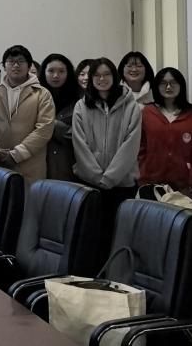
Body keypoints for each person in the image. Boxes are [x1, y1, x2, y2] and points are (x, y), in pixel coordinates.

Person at [72, 57, 142, 246]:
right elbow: (79, 144)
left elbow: (131, 145)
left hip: (122, 183)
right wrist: (96, 177)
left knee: (118, 236)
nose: (102, 79)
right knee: (91, 236)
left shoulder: (131, 106)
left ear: (115, 76)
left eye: (106, 74)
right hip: (89, 183)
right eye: (97, 75)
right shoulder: (81, 106)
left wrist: (110, 178)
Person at [0, 45, 55, 183]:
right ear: (4, 66)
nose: (16, 65)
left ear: (29, 66)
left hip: (31, 165)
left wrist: (16, 155)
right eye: (11, 61)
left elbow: (44, 129)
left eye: (21, 61)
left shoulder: (42, 94)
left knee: (29, 196)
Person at [138, 67, 192, 196]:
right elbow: (140, 147)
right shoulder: (147, 113)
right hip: (150, 182)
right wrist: (142, 173)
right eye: (163, 83)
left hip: (183, 186)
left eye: (173, 82)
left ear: (181, 85)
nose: (168, 87)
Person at [40, 53, 81, 182]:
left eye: (61, 71)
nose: (56, 76)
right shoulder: (35, 96)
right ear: (44, 72)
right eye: (51, 71)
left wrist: (52, 125)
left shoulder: (80, 99)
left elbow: (83, 135)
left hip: (69, 165)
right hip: (41, 164)